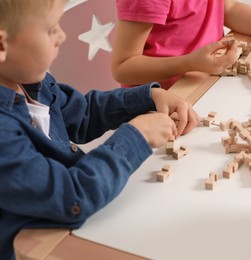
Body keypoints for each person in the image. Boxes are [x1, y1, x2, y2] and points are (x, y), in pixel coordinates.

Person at [0, 0, 200, 259]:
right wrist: (135, 137)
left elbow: (83, 114)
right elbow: (71, 196)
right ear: (2, 45)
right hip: (38, 245)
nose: (62, 36)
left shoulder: (29, 81)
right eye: (51, 29)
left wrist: (148, 97)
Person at [112, 0, 251, 89]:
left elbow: (227, 9)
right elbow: (123, 68)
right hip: (160, 100)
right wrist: (190, 62)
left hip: (206, 82)